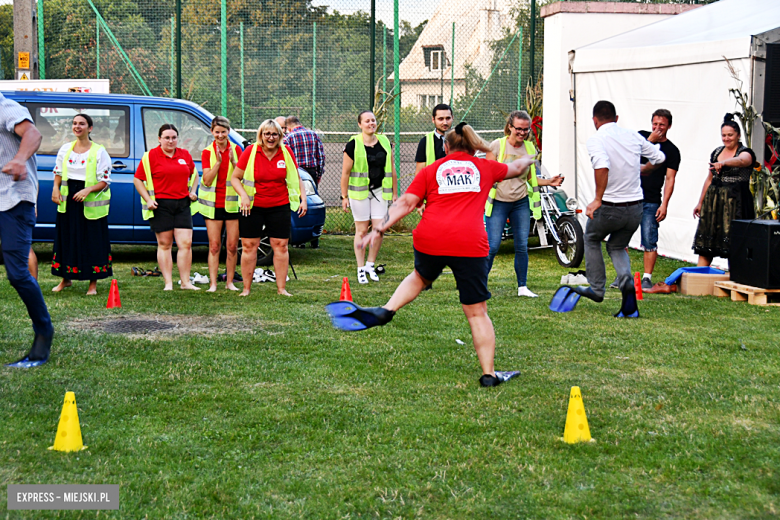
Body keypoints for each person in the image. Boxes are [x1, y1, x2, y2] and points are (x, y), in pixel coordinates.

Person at [331, 122, 536, 387]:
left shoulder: (432, 170)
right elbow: (518, 168)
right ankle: (488, 374)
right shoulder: (485, 167)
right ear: (473, 146)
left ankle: (386, 310)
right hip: (468, 242)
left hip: (431, 238)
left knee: (420, 276)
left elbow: (406, 202)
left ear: (445, 147)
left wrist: (379, 228)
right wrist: (525, 155)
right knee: (476, 313)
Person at [573, 101, 665, 317]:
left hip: (609, 207)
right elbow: (659, 157)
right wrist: (645, 168)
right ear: (616, 118)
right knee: (617, 246)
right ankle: (628, 295)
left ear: (594, 120)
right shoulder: (632, 136)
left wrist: (597, 199)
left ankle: (596, 289)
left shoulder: (596, 139)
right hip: (635, 209)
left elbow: (602, 165)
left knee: (592, 238)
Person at [0, 92, 54, 368]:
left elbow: (32, 134)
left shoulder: (4, 106)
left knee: (18, 274)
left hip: (13, 199)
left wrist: (20, 159)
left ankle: (44, 331)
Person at [485, 110, 562, 298]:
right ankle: (479, 285)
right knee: (493, 246)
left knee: (522, 245)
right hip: (499, 203)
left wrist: (549, 182)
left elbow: (530, 178)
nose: (522, 133)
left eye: (526, 130)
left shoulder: (530, 149)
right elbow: (487, 174)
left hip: (520, 202)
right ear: (510, 127)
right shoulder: (497, 146)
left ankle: (522, 287)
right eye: (518, 129)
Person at [230, 119, 307, 297]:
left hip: (279, 205)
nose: (270, 138)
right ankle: (246, 289)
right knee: (249, 246)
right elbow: (235, 178)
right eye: (267, 134)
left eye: (274, 134)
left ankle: (281, 289)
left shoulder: (286, 152)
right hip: (252, 206)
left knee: (281, 245)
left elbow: (297, 178)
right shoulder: (250, 151)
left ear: (280, 136)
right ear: (261, 135)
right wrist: (243, 196)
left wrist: (303, 199)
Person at [50, 114, 113, 295]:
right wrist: (55, 188)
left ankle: (92, 284)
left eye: (82, 124)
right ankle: (65, 279)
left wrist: (88, 190)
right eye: (75, 123)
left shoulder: (99, 151)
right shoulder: (65, 149)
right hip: (68, 201)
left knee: (91, 241)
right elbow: (58, 172)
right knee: (67, 238)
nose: (77, 127)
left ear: (90, 128)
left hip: (90, 204)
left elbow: (105, 180)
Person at [134, 124, 201, 291]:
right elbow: (137, 179)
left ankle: (185, 282)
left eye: (174, 137)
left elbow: (195, 174)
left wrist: (192, 191)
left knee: (185, 243)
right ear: (159, 139)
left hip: (182, 204)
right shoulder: (150, 157)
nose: (171, 141)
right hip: (161, 205)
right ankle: (168, 283)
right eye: (167, 138)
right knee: (165, 244)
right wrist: (148, 199)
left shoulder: (184, 155)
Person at [340, 110, 398, 284]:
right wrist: (344, 196)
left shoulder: (385, 141)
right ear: (360, 125)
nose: (371, 123)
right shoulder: (353, 145)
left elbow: (392, 168)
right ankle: (360, 268)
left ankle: (370, 265)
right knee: (362, 230)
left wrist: (395, 193)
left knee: (379, 229)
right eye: (367, 121)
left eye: (373, 120)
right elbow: (345, 173)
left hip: (381, 191)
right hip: (359, 193)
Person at [693, 114, 756, 265]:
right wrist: (700, 202)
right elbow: (709, 179)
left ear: (738, 135)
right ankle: (700, 278)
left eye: (730, 135)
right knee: (707, 241)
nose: (727, 138)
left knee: (734, 242)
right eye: (724, 135)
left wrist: (725, 163)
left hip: (736, 203)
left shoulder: (745, 152)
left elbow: (742, 161)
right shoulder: (716, 152)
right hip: (714, 203)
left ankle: (736, 277)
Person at [635, 109, 681, 292]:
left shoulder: (672, 151)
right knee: (620, 236)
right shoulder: (641, 137)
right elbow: (627, 154)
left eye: (662, 125)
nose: (657, 128)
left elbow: (670, 179)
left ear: (669, 126)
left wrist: (665, 204)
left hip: (651, 199)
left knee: (649, 237)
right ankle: (621, 275)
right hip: (630, 196)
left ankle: (647, 277)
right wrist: (650, 142)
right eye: (655, 124)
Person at [199, 116, 242, 292]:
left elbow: (243, 176)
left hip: (232, 205)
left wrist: (233, 161)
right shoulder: (207, 152)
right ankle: (213, 283)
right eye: (217, 132)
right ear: (212, 132)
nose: (220, 135)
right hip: (213, 206)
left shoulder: (237, 149)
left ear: (228, 132)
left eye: (223, 132)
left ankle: (230, 282)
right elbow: (207, 181)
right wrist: (218, 162)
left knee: (232, 246)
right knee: (214, 246)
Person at [284, 115, 325, 186]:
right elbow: (321, 157)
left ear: (288, 128)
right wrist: (319, 174)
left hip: (296, 173)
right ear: (300, 124)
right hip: (311, 172)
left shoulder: (288, 138)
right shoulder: (313, 134)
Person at [414, 103, 453, 173]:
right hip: (433, 183)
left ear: (452, 118)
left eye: (448, 118)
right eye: (440, 119)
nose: (445, 122)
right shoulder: (425, 141)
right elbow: (419, 173)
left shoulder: (462, 139)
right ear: (433, 119)